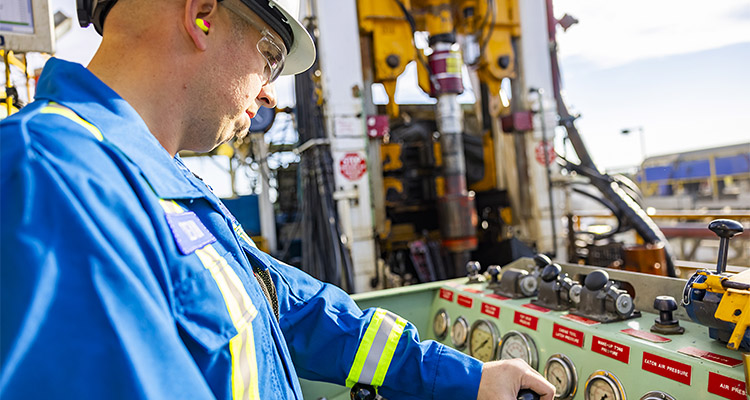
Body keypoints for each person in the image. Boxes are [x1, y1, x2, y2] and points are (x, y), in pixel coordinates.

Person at [0, 0, 556, 398]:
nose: (269, 90)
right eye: (268, 55)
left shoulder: (156, 180)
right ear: (201, 16)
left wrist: (468, 379)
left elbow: (290, 306)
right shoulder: (52, 178)